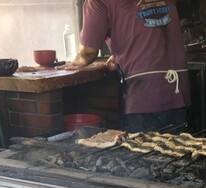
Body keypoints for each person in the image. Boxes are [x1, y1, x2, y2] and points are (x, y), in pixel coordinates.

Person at [63, 0, 191, 133]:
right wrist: (121, 54)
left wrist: (80, 60)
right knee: (177, 145)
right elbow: (144, 30)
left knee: (143, 146)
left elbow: (89, 51)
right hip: (178, 91)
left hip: (144, 94)